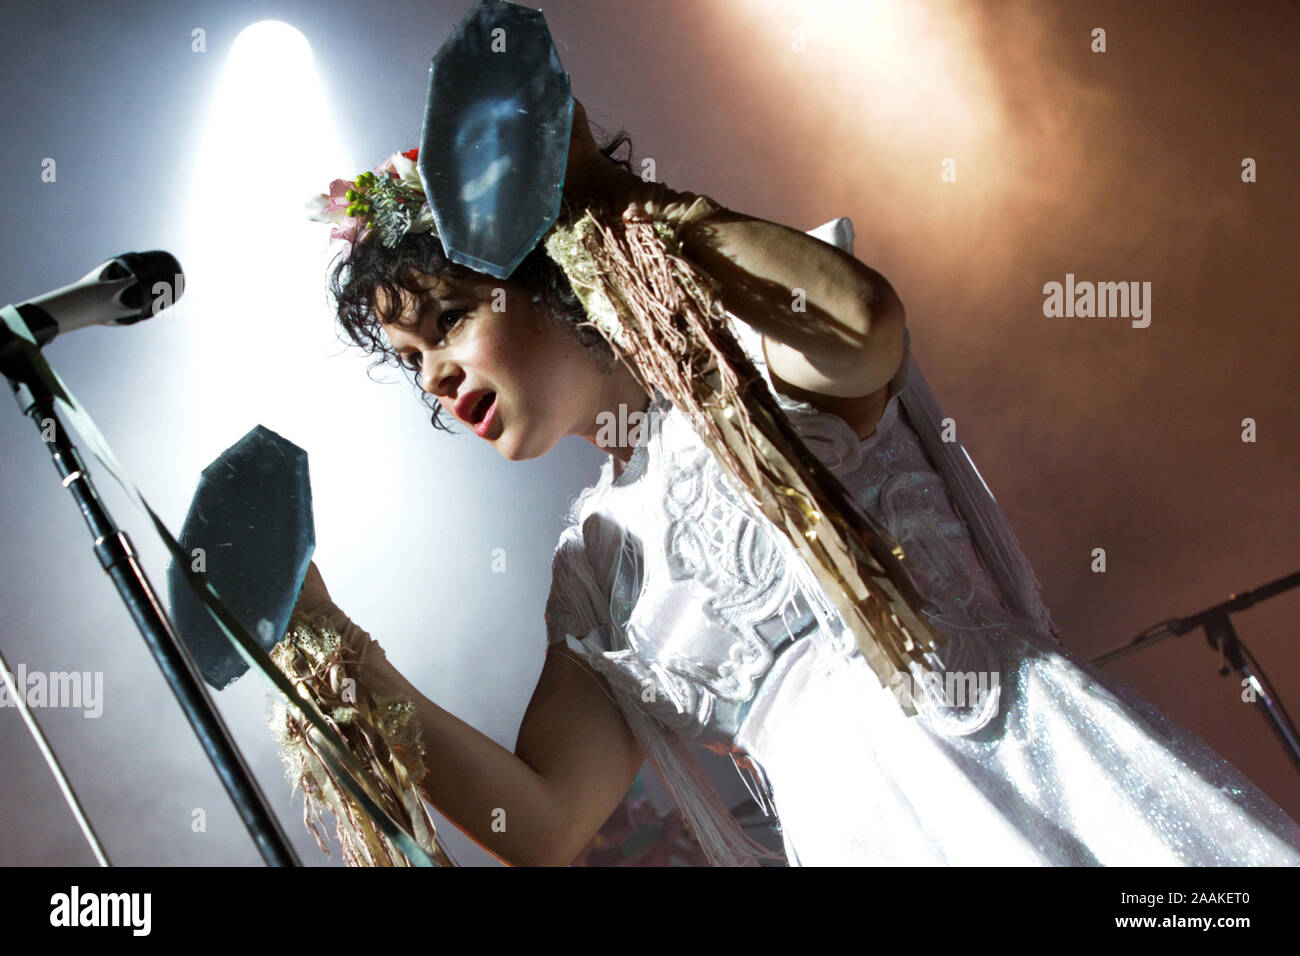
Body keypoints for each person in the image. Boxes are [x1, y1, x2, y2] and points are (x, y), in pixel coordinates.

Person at [296, 99, 1300, 866]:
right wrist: (325, 633)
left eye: (452, 318)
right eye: (412, 358)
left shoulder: (749, 347)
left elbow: (866, 327)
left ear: (546, 268)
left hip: (1038, 781)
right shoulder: (592, 563)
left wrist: (601, 193)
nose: (433, 371)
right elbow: (542, 819)